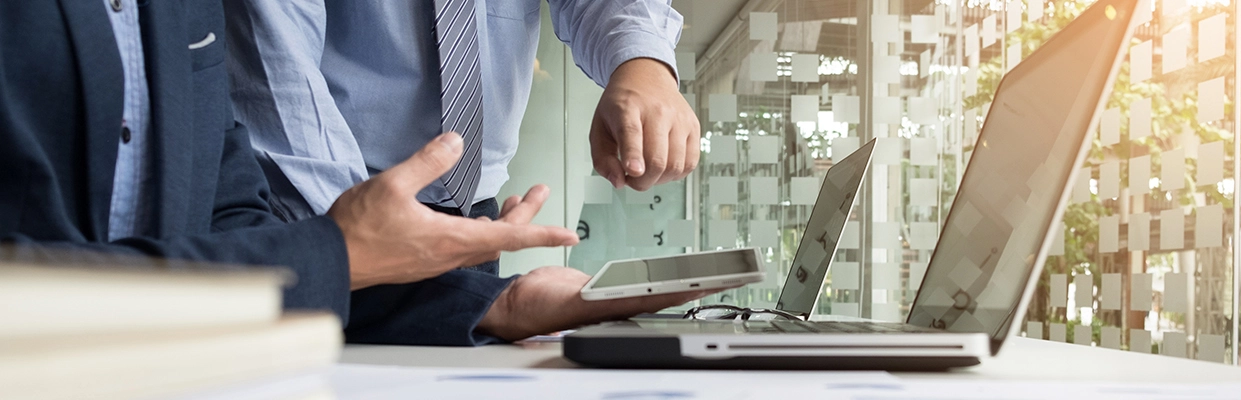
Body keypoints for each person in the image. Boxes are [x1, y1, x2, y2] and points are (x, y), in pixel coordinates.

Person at [0, 0, 711, 346]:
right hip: (328, 201)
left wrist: (489, 303)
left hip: (408, 246)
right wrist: (350, 251)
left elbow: (221, 218)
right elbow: (279, 108)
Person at [223, 0, 699, 257]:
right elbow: (275, 61)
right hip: (322, 208)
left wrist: (643, 63)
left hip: (476, 217)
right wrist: (345, 244)